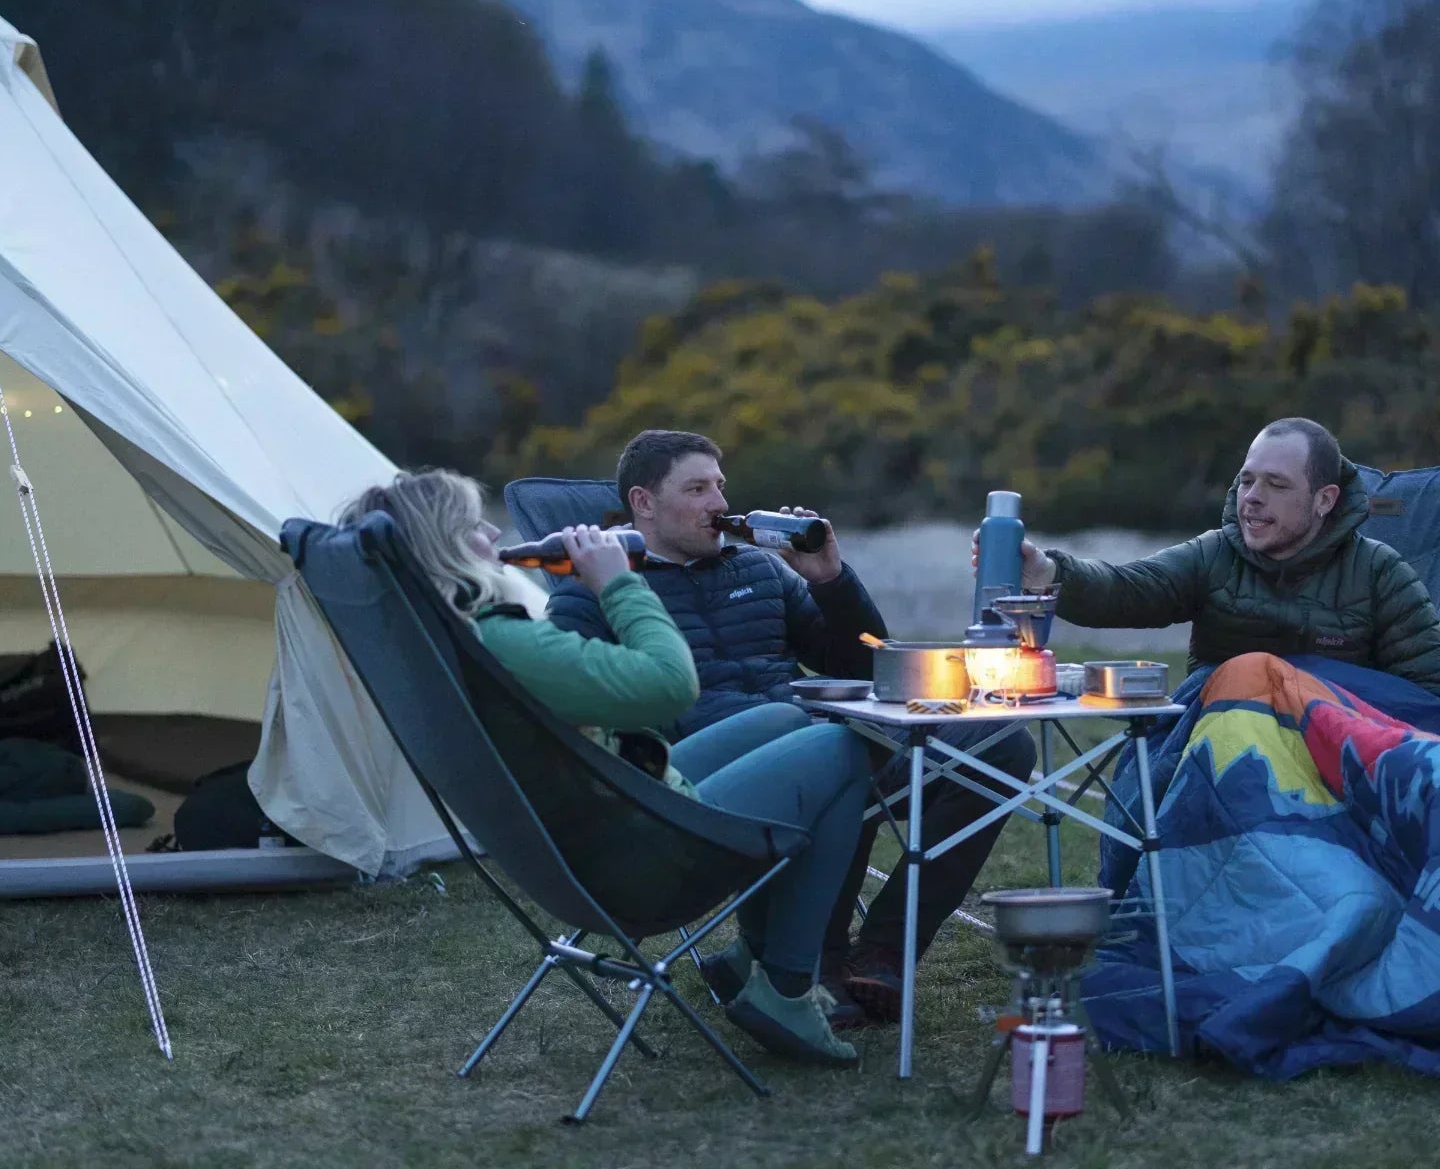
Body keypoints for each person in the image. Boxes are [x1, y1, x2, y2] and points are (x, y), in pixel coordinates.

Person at [338, 469, 876, 1067]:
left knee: (787, 723)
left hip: (594, 826)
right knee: (842, 748)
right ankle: (787, 984)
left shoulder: (448, 642)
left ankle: (758, 956)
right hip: (639, 853)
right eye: (472, 526)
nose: (493, 530)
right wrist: (618, 586)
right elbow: (671, 686)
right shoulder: (506, 645)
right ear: (441, 547)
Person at [546, 430, 1038, 1026]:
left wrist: (829, 579)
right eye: (696, 489)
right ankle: (810, 964)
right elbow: (578, 708)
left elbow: (859, 666)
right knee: (838, 752)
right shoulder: (597, 588)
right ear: (643, 503)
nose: (717, 503)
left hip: (822, 731)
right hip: (713, 774)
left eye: (720, 486)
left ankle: (883, 948)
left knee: (1001, 746)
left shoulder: (759, 564)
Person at [972, 417, 1440, 694]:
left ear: (1324, 500)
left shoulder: (1380, 574)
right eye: (1248, 480)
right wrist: (1048, 572)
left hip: (1336, 748)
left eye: (1276, 485)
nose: (1252, 498)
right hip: (1224, 742)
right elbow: (1128, 589)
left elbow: (1424, 693)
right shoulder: (1215, 555)